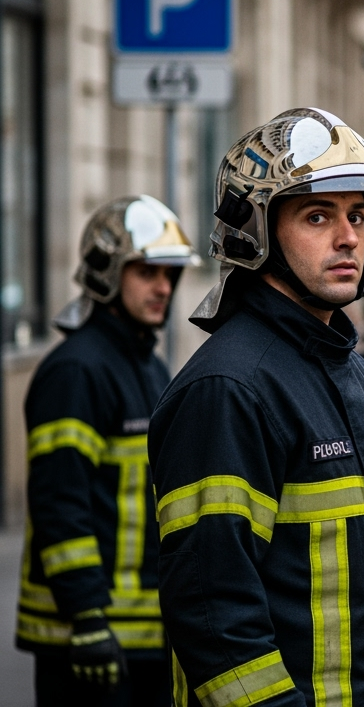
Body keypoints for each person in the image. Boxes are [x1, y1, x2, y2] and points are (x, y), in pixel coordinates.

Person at [147, 108, 364, 707]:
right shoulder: (228, 388)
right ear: (254, 231)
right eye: (318, 216)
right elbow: (215, 619)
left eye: (359, 216)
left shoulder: (354, 372)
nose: (349, 237)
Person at [14, 195, 200, 706]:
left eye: (170, 275)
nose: (164, 287)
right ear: (107, 273)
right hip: (87, 638)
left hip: (142, 636)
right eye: (147, 273)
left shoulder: (146, 364)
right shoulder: (77, 371)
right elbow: (60, 504)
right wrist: (87, 615)